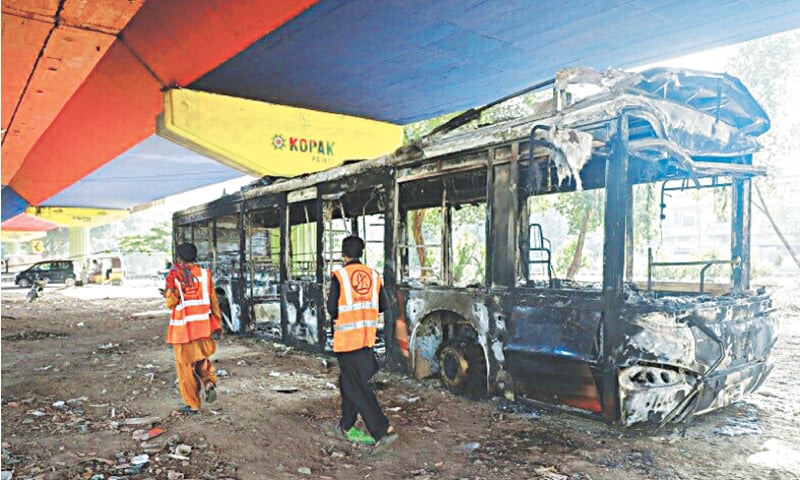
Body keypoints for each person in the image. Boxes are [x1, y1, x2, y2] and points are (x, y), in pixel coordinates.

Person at [327, 235, 398, 452]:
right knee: (349, 383)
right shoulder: (374, 276)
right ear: (362, 252)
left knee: (355, 387)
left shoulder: (339, 276)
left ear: (343, 254)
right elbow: (383, 306)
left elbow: (332, 309)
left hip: (347, 342)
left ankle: (382, 430)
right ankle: (346, 425)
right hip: (366, 340)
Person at [163, 243, 223, 414]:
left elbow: (171, 302)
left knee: (186, 369)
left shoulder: (175, 276)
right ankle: (208, 381)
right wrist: (217, 324)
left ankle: (193, 404)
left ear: (179, 258)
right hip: (203, 328)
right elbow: (214, 301)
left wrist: (167, 294)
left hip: (184, 331)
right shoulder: (205, 275)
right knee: (202, 360)